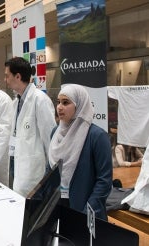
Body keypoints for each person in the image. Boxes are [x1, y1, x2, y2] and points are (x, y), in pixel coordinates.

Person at [48, 84, 112, 220]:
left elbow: (104, 181)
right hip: (58, 204)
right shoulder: (55, 133)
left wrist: (87, 212)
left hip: (84, 209)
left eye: (66, 103)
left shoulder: (96, 136)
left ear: (80, 106)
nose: (59, 107)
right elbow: (51, 170)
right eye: (58, 102)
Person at [4, 57, 56, 195]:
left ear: (18, 76)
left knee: (32, 212)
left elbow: (50, 139)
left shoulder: (40, 100)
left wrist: (50, 173)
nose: (5, 80)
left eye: (7, 76)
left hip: (34, 171)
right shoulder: (16, 102)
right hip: (17, 163)